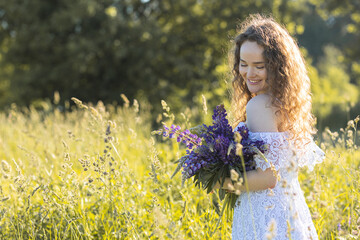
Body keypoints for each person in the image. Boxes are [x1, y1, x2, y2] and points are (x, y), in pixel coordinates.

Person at [221, 14, 325, 239]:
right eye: (243, 64)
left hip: (266, 217)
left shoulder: (259, 105)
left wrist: (225, 182)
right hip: (288, 210)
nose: (249, 73)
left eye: (259, 66)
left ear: (277, 67)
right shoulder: (282, 102)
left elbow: (269, 177)